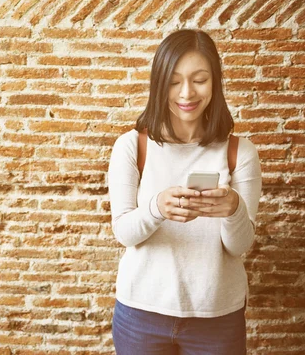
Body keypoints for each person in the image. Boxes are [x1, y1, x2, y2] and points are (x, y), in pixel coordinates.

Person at [107, 29, 262, 354]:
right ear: (159, 84)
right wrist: (156, 208)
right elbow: (124, 233)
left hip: (217, 318)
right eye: (174, 81)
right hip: (140, 315)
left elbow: (239, 246)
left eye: (199, 79)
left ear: (215, 82)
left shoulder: (239, 152)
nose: (187, 92)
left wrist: (233, 208)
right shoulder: (132, 147)